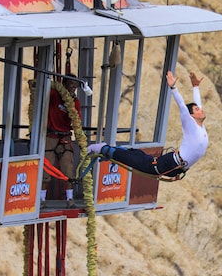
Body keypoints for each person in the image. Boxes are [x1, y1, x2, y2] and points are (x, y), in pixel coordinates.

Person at [87, 70, 208, 178]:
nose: (201, 110)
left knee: (141, 157)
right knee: (142, 163)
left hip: (177, 168)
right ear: (191, 116)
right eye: (197, 110)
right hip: (172, 163)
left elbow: (198, 105)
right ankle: (103, 148)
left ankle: (115, 151)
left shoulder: (200, 126)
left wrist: (196, 87)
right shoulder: (190, 124)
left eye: (199, 109)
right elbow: (182, 106)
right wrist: (173, 88)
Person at [41, 74, 81, 208]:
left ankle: (70, 200)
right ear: (64, 84)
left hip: (65, 137)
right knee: (45, 171)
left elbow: (77, 121)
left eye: (75, 84)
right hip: (50, 137)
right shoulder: (54, 95)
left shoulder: (75, 102)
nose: (74, 87)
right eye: (71, 83)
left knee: (68, 170)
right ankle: (41, 200)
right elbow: (41, 89)